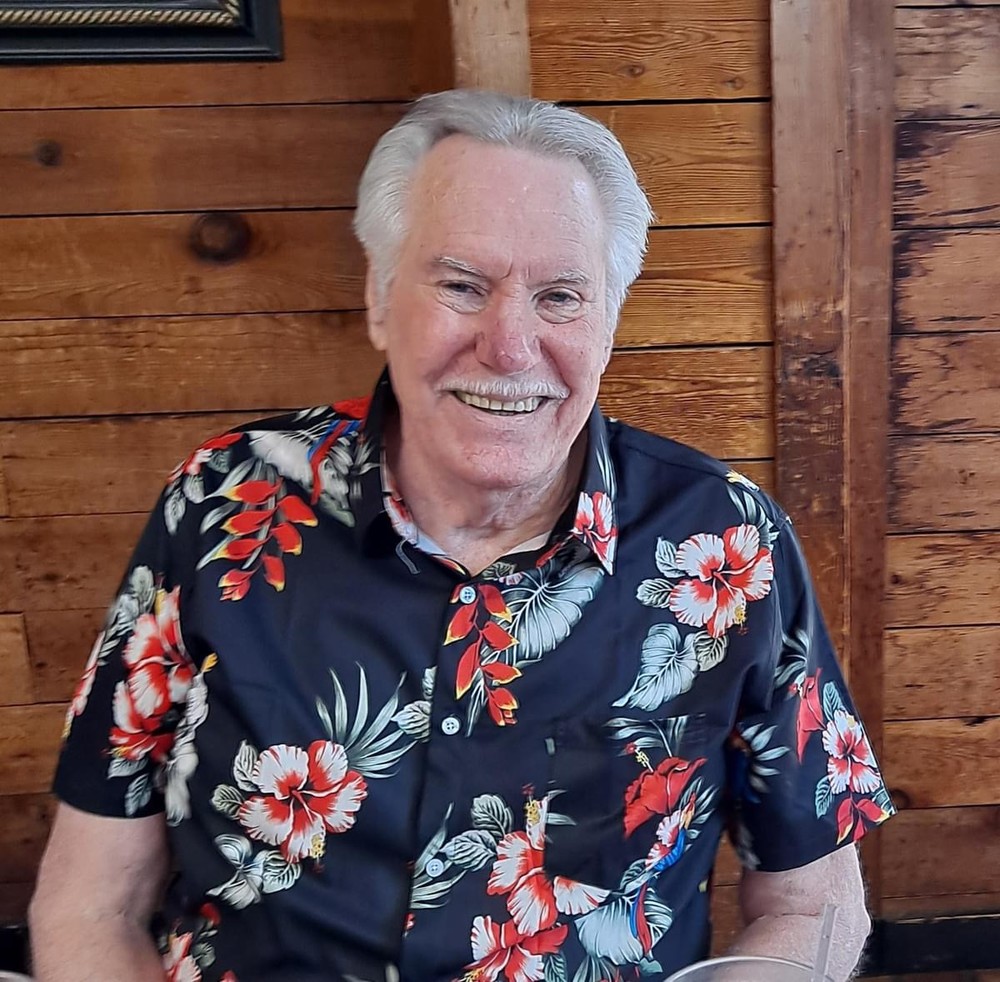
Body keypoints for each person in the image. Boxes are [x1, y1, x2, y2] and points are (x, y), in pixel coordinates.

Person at [29, 89, 893, 982]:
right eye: (462, 286)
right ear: (378, 296)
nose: (510, 347)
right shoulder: (221, 502)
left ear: (608, 323)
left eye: (560, 297)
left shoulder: (729, 544)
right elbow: (92, 902)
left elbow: (812, 901)